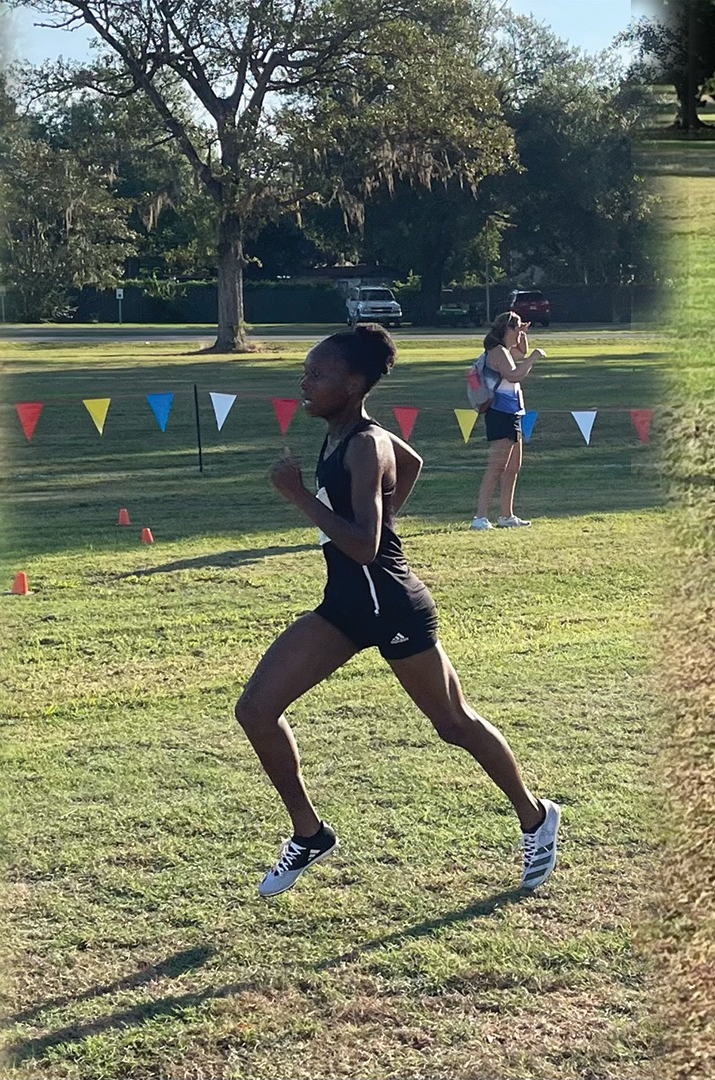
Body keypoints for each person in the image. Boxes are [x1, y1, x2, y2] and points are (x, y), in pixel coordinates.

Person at [237, 323, 561, 899]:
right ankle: (309, 834)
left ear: (354, 383)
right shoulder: (344, 433)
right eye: (306, 373)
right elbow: (412, 462)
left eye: (317, 374)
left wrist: (298, 497)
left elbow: (363, 544)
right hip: (345, 605)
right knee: (257, 709)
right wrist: (385, 516)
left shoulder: (363, 443)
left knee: (453, 723)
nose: (304, 382)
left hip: (391, 604)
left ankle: (536, 817)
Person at [471, 311, 542, 530]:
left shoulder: (507, 349)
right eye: (517, 327)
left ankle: (506, 515)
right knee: (496, 466)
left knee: (513, 466)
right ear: (507, 329)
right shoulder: (498, 351)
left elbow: (522, 351)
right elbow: (514, 374)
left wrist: (523, 336)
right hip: (500, 412)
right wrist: (534, 358)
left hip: (513, 412)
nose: (520, 331)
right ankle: (480, 517)